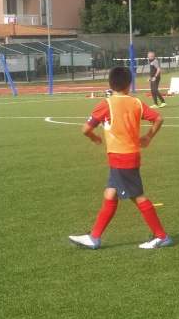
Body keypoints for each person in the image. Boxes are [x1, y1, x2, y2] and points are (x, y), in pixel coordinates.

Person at [68, 66, 171, 250]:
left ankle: (162, 236)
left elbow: (86, 129)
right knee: (110, 194)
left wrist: (93, 136)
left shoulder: (106, 104)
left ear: (110, 84)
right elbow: (158, 118)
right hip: (129, 156)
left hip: (120, 158)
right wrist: (148, 137)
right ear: (129, 84)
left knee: (137, 196)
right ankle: (94, 237)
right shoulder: (137, 103)